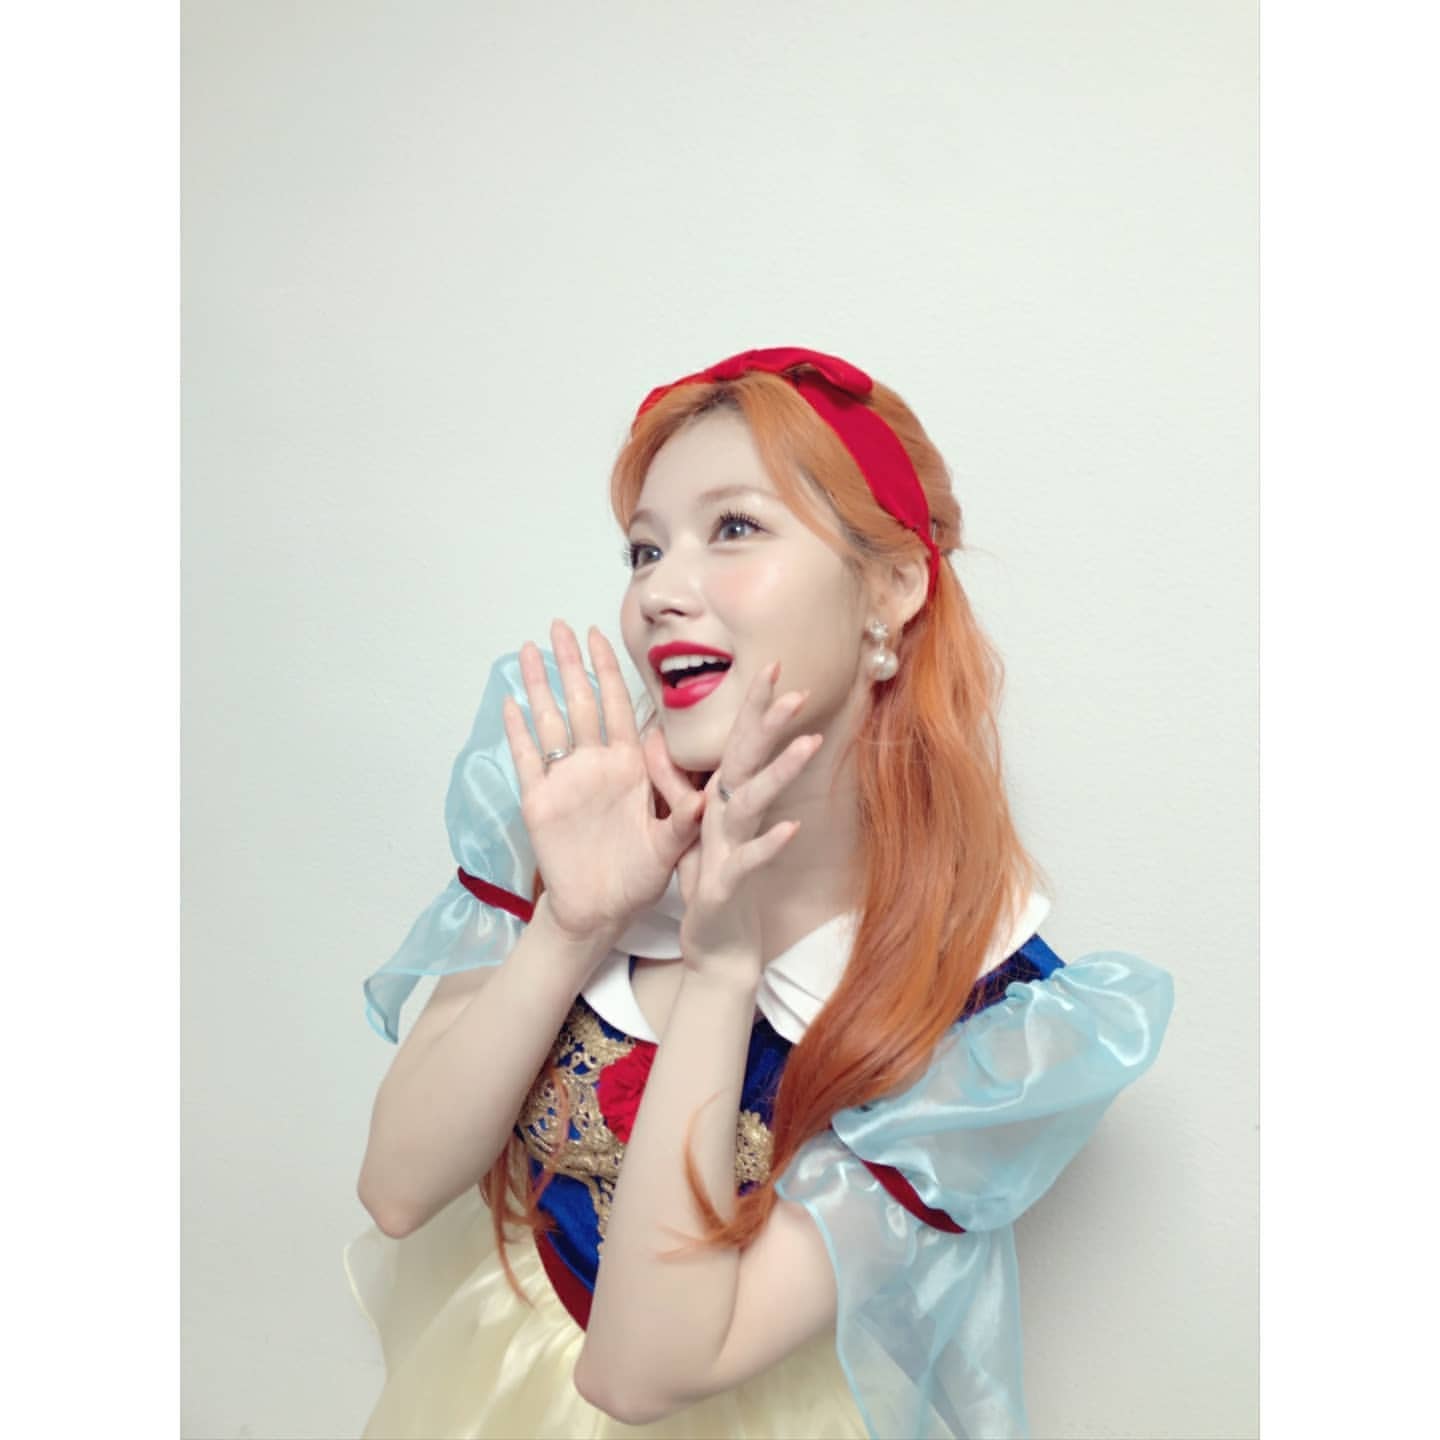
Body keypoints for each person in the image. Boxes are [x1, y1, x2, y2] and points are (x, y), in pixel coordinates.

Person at [343, 345, 1175, 1439]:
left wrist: (725, 966)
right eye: (645, 549)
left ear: (893, 587)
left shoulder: (993, 1026)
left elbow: (639, 1376)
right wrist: (574, 922)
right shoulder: (574, 804)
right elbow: (396, 1191)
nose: (658, 592)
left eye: (734, 527)